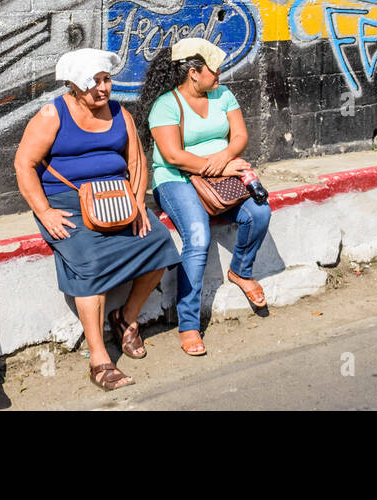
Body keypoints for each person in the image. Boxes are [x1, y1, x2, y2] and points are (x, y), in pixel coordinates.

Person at [14, 48, 180, 391]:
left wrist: (137, 204)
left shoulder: (121, 114)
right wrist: (45, 212)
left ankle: (126, 318)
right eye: (95, 82)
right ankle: (99, 358)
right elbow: (23, 165)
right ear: (74, 85)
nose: (103, 88)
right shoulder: (52, 115)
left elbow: (136, 163)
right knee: (89, 264)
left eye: (106, 80)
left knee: (159, 243)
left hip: (117, 200)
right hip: (67, 204)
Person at [137, 37, 272, 356]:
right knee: (197, 238)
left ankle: (241, 270)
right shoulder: (166, 105)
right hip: (177, 181)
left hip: (221, 175)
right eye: (214, 68)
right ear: (193, 72)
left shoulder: (223, 94)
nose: (220, 73)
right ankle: (188, 324)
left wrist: (224, 157)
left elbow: (240, 136)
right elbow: (173, 156)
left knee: (260, 213)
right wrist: (220, 169)